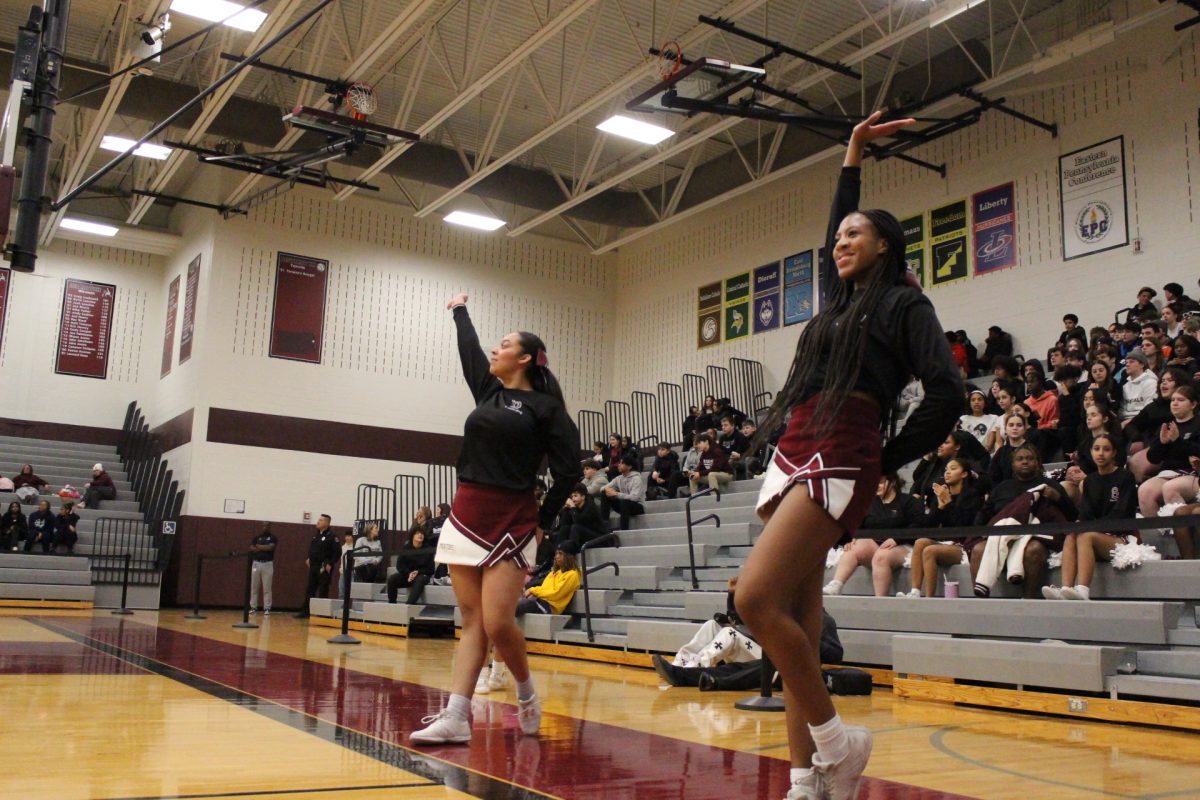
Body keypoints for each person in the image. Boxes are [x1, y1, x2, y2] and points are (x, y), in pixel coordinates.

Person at [734, 112, 962, 800]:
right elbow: (834, 220)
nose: (839, 241)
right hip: (798, 443)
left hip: (845, 448)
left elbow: (947, 391)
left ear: (886, 245)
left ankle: (840, 742)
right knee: (797, 619)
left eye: (855, 233)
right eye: (837, 236)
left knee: (751, 599)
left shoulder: (904, 305)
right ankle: (807, 778)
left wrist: (889, 456)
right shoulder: (836, 302)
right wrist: (853, 151)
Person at [409, 292, 580, 746]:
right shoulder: (487, 390)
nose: (494, 349)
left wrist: (543, 518)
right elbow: (469, 348)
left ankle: (526, 693)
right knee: (472, 621)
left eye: (503, 344)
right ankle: (457, 715)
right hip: (466, 511)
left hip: (513, 517)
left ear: (523, 357)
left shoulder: (548, 411)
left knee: (499, 622)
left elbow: (569, 472)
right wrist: (459, 310)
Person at [1043, 435, 1139, 600]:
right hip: (1096, 534)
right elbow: (1085, 513)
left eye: (1106, 449)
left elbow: (1122, 513)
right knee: (1072, 534)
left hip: (1121, 538)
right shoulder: (1089, 481)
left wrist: (1094, 527)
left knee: (1085, 536)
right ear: (1091, 452)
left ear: (1114, 453)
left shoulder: (1125, 477)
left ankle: (1083, 590)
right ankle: (1065, 588)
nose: (1101, 453)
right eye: (1096, 449)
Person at [823, 474, 924, 597]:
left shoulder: (909, 501)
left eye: (880, 483)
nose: (876, 486)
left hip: (903, 545)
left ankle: (880, 599)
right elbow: (857, 524)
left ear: (892, 482)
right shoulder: (869, 503)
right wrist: (850, 539)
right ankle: (836, 584)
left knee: (881, 557)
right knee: (854, 547)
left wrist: (897, 539)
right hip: (876, 545)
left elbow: (918, 525)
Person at [904, 458, 984, 598]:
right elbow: (931, 526)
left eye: (953, 469)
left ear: (964, 474)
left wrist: (948, 503)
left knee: (930, 550)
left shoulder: (973, 496)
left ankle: (930, 598)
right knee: (920, 542)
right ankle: (915, 592)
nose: (947, 472)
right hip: (945, 541)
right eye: (946, 469)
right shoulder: (941, 494)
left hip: (964, 545)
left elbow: (962, 525)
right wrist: (940, 507)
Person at [1138, 387, 1200, 518]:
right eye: (1173, 400)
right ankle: (1161, 534)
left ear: (1193, 404)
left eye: (1180, 400)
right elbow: (1153, 459)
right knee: (1144, 491)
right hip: (1169, 472)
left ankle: (1183, 532)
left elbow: (1196, 452)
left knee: (1170, 487)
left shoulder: (1197, 424)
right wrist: (1162, 443)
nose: (1175, 403)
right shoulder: (1166, 426)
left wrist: (1178, 440)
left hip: (1193, 473)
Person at [517, 540, 581, 615]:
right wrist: (532, 592)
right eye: (556, 553)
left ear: (569, 556)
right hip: (540, 601)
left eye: (560, 554)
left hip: (549, 607)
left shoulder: (573, 575)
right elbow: (544, 588)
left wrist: (533, 590)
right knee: (509, 604)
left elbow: (555, 594)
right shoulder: (554, 573)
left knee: (514, 607)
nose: (557, 556)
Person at [296, 514, 338, 618]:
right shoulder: (316, 535)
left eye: (321, 520)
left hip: (324, 567)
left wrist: (330, 563)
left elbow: (337, 552)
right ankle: (305, 612)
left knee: (323, 590)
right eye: (318, 520)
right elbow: (313, 549)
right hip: (314, 566)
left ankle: (322, 614)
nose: (318, 522)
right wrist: (309, 557)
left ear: (327, 523)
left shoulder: (332, 537)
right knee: (310, 589)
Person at [387, 528, 436, 604]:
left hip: (422, 575)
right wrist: (409, 573)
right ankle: (392, 604)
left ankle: (409, 605)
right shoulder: (406, 548)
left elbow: (431, 569)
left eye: (422, 534)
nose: (420, 535)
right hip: (409, 576)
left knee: (420, 579)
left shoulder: (428, 549)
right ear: (412, 536)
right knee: (392, 579)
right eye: (417, 533)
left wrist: (417, 572)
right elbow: (400, 566)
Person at [601, 454, 646, 531]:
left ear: (629, 467)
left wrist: (616, 494)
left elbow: (634, 498)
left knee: (625, 502)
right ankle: (604, 523)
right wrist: (607, 489)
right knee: (604, 494)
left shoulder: (637, 479)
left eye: (622, 463)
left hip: (638, 507)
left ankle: (624, 529)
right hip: (624, 506)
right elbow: (602, 488)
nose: (619, 465)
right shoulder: (618, 478)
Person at [551, 484, 605, 549]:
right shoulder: (575, 506)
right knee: (565, 528)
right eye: (572, 496)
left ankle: (572, 549)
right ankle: (558, 551)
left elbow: (578, 522)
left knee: (575, 527)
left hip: (598, 537)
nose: (573, 499)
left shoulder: (590, 506)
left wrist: (572, 507)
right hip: (584, 534)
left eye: (575, 496)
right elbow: (564, 523)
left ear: (583, 497)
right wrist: (566, 508)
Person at [248, 522, 278, 615]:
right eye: (263, 526)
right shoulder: (257, 537)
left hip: (267, 564)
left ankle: (267, 608)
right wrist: (262, 548)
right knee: (254, 587)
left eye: (266, 526)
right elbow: (252, 547)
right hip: (256, 563)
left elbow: (270, 548)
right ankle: (253, 607)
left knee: (267, 587)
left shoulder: (273, 538)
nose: (264, 527)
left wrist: (259, 547)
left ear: (270, 527)